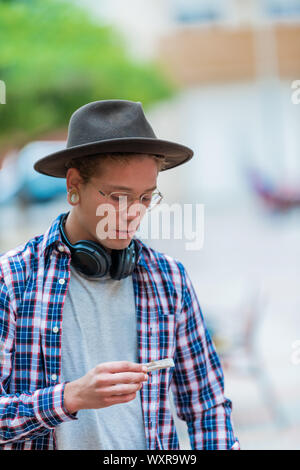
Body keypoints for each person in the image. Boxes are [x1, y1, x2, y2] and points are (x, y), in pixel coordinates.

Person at [0, 100, 239, 450]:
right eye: (118, 196)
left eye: (145, 197)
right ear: (74, 185)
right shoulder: (13, 280)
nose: (133, 213)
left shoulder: (169, 279)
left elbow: (208, 408)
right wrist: (69, 398)